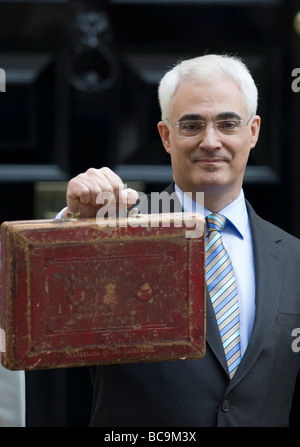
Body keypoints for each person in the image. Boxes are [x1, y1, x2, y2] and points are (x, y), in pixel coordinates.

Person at [59, 54, 300, 426]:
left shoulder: (294, 259)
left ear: (252, 132)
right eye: (191, 125)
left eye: (227, 123)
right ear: (166, 136)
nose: (210, 141)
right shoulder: (116, 239)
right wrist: (75, 232)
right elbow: (39, 323)